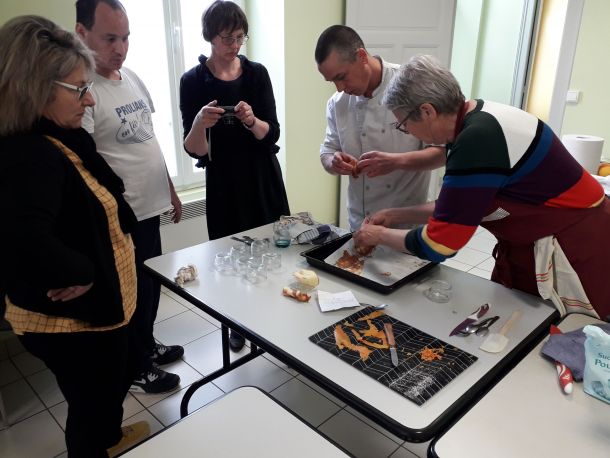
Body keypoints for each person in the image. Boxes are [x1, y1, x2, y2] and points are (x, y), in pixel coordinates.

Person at [354, 54, 610, 321]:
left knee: (566, 332)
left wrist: (379, 235)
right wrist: (395, 215)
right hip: (537, 238)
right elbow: (459, 207)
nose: (408, 132)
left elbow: (439, 245)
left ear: (427, 111)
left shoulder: (478, 139)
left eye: (404, 125)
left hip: (575, 243)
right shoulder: (474, 117)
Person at [0, 15, 149, 456]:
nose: (90, 99)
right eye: (79, 89)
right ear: (36, 87)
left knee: (109, 386)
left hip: (96, 310)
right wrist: (83, 270)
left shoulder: (57, 135)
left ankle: (110, 439)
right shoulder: (29, 155)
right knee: (91, 405)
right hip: (71, 323)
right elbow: (23, 239)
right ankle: (97, 445)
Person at [76, 0, 184, 393]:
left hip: (151, 206)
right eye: (110, 38)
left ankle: (147, 346)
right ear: (81, 33)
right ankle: (136, 366)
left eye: (125, 38)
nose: (120, 48)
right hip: (123, 216)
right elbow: (84, 163)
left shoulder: (132, 78)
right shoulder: (84, 90)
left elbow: (149, 140)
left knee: (151, 285)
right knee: (131, 293)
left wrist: (170, 190)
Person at [179, 0, 290, 351]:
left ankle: (273, 319)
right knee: (229, 256)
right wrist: (200, 123)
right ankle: (236, 324)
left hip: (262, 177)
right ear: (210, 36)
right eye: (228, 38)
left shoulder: (257, 74)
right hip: (224, 183)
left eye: (241, 37)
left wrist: (252, 120)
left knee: (272, 251)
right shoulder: (193, 81)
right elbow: (194, 149)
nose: (235, 45)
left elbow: (271, 133)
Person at [315, 25, 445, 231]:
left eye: (341, 77)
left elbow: (442, 153)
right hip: (359, 221)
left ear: (361, 56)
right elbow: (327, 151)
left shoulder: (410, 85)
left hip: (405, 223)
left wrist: (396, 162)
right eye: (332, 81)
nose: (340, 88)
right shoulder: (337, 103)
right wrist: (333, 161)